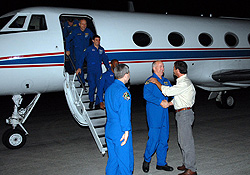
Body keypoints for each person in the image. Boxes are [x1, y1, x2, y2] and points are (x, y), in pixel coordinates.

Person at [149, 61, 197, 175]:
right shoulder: (182, 82)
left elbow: (167, 91)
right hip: (182, 113)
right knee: (182, 141)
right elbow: (179, 98)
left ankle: (191, 169)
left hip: (185, 114)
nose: (173, 70)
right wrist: (169, 104)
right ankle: (186, 163)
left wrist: (156, 82)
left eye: (174, 68)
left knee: (187, 142)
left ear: (178, 70)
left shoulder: (184, 83)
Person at [142, 61, 173, 173]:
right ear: (154, 68)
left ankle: (161, 163)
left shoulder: (166, 81)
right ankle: (147, 159)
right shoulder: (149, 81)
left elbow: (170, 92)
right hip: (154, 113)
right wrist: (160, 101)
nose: (162, 69)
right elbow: (146, 95)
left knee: (164, 138)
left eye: (163, 67)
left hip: (164, 113)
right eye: (160, 66)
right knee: (154, 138)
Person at [105, 64, 134, 175]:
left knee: (113, 160)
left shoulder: (109, 89)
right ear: (125, 75)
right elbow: (124, 114)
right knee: (125, 163)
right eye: (129, 73)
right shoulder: (124, 92)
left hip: (109, 129)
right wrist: (126, 131)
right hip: (120, 130)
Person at [76, 35, 110, 109]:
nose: (98, 41)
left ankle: (97, 102)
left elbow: (105, 59)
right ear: (93, 41)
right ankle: (91, 101)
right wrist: (79, 67)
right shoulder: (89, 49)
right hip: (91, 71)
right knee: (92, 86)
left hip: (98, 71)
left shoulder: (101, 49)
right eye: (96, 40)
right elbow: (82, 58)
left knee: (99, 87)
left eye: (99, 40)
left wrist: (109, 68)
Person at [66, 19, 94, 85]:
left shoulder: (88, 31)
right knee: (79, 66)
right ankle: (82, 82)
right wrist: (67, 49)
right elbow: (68, 40)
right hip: (78, 51)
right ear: (79, 24)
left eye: (85, 24)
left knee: (91, 63)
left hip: (86, 51)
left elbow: (94, 38)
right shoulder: (75, 31)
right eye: (82, 24)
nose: (84, 26)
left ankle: (88, 78)